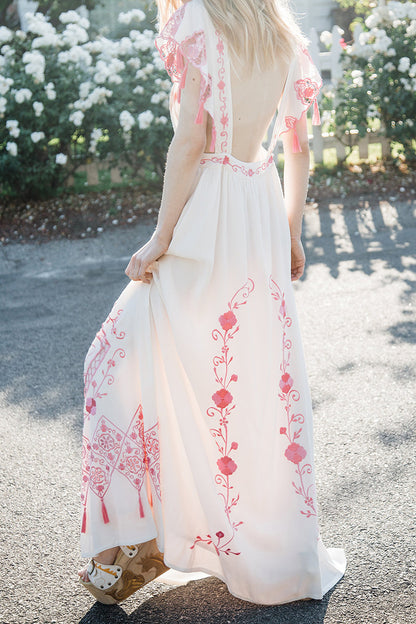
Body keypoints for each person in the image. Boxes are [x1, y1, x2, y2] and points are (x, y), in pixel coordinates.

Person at [78, 0, 346, 606]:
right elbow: (298, 140)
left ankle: (134, 537)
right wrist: (293, 228)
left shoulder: (197, 19)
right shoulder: (280, 29)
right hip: (257, 205)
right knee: (245, 375)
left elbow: (191, 140)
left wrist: (160, 236)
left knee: (114, 357)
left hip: (210, 212)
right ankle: (168, 534)